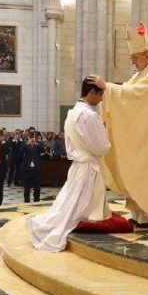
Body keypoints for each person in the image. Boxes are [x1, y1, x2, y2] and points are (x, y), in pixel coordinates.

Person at [86, 22, 148, 227]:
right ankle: (138, 214)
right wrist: (109, 89)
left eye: (135, 57)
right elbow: (127, 91)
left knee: (147, 172)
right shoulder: (139, 75)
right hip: (141, 135)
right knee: (137, 170)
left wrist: (106, 86)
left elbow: (134, 95)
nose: (133, 62)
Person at [28, 82, 110, 251]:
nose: (102, 99)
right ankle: (53, 231)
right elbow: (101, 148)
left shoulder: (71, 113)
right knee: (74, 209)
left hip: (77, 166)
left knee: (68, 203)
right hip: (87, 168)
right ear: (92, 92)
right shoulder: (90, 115)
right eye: (101, 94)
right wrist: (104, 132)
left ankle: (46, 226)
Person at [21, 129, 43, 203]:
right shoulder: (24, 143)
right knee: (26, 188)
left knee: (37, 188)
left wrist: (37, 143)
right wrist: (27, 144)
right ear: (28, 137)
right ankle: (26, 202)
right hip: (27, 169)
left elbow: (43, 150)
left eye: (33, 136)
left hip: (36, 169)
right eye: (30, 136)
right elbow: (20, 152)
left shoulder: (38, 143)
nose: (32, 138)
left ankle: (36, 202)